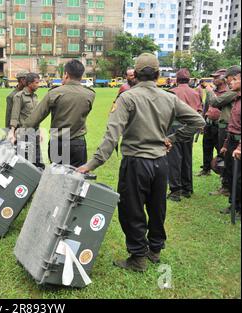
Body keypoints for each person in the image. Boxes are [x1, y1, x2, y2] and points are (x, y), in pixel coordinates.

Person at [77, 53, 205, 272]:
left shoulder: (128, 97)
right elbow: (198, 121)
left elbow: (111, 135)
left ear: (134, 75)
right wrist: (171, 139)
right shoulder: (169, 97)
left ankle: (138, 258)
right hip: (160, 162)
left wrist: (91, 164)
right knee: (157, 207)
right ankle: (155, 250)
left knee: (131, 209)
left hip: (136, 163)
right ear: (157, 75)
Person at [23, 59, 95, 168]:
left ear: (66, 74)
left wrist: (18, 133)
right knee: (76, 180)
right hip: (78, 143)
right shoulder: (89, 94)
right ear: (81, 75)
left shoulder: (54, 93)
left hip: (58, 143)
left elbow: (34, 119)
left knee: (57, 179)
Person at [166, 68, 203, 202]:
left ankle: (176, 191)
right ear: (188, 79)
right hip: (190, 127)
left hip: (175, 127)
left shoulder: (172, 92)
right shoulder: (196, 92)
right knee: (187, 158)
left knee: (174, 159)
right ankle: (187, 188)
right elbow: (200, 110)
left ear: (176, 79)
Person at [206, 66, 240, 196]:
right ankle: (226, 185)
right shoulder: (232, 92)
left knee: (226, 159)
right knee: (223, 156)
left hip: (228, 129)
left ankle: (227, 186)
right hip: (225, 129)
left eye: (229, 78)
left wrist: (209, 91)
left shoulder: (232, 92)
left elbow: (215, 102)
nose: (228, 81)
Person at [8, 73, 44, 168]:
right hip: (24, 134)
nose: (38, 85)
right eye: (36, 83)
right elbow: (14, 116)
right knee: (26, 162)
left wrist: (39, 132)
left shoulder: (35, 96)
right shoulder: (19, 96)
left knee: (38, 161)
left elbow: (36, 117)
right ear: (29, 83)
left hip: (35, 133)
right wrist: (12, 132)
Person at [197, 70, 227, 176]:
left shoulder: (228, 93)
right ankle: (206, 169)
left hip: (220, 127)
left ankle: (223, 174)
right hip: (209, 124)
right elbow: (206, 106)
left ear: (224, 78)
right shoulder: (213, 91)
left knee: (221, 151)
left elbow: (217, 103)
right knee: (206, 147)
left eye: (216, 77)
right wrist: (202, 121)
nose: (213, 80)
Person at [219, 69, 241, 216]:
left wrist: (239, 147)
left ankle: (239, 208)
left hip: (239, 144)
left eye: (234, 80)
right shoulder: (236, 99)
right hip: (232, 141)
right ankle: (234, 204)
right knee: (231, 174)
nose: (230, 82)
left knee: (239, 177)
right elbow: (232, 125)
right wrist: (226, 144)